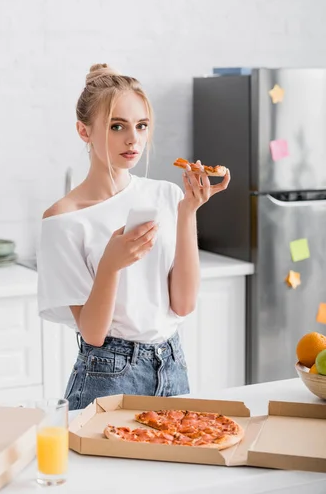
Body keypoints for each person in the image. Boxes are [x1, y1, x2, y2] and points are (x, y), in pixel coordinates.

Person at [37, 63, 230, 410]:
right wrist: (111, 266)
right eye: (117, 127)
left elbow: (183, 304)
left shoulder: (167, 196)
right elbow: (93, 335)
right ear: (84, 131)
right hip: (108, 374)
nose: (133, 139)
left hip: (173, 365)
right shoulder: (62, 219)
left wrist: (188, 213)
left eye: (141, 126)